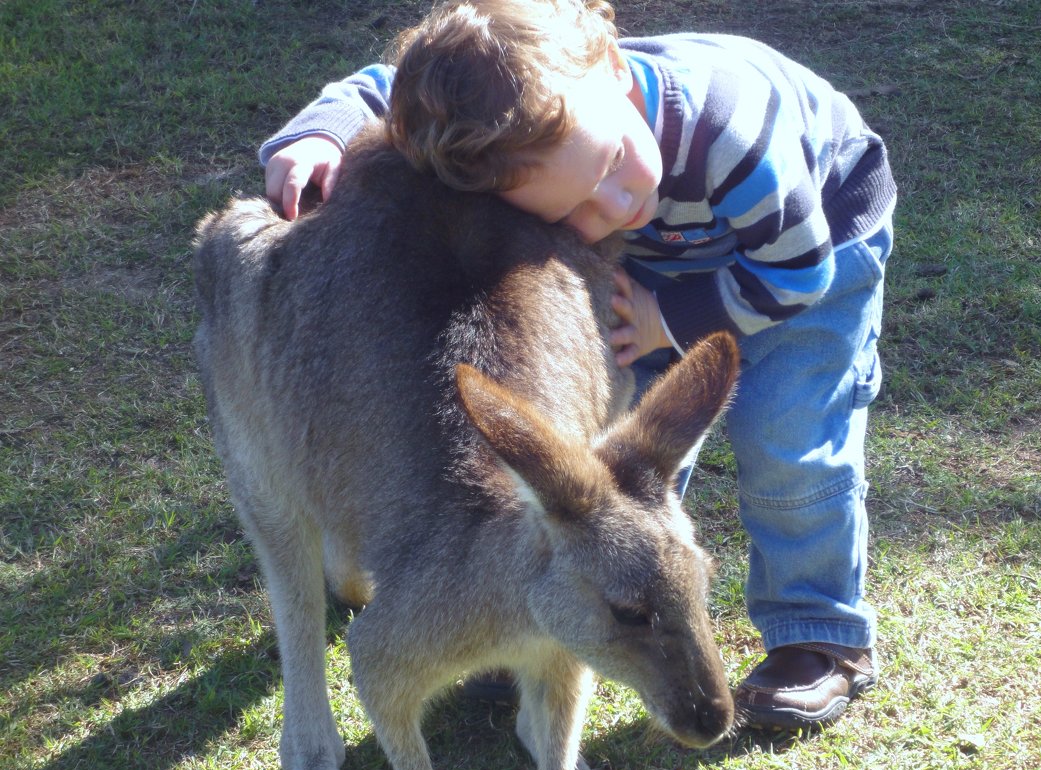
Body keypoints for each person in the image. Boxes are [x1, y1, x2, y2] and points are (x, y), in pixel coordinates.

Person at [259, 0, 896, 731]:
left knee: (791, 447)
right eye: (582, 209)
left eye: (611, 164)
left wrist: (671, 316)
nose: (620, 202)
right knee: (627, 484)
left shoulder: (734, 135)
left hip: (811, 248)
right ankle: (597, 611)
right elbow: (384, 88)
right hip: (670, 261)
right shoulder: (532, 117)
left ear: (616, 72)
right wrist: (320, 132)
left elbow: (796, 270)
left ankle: (817, 632)